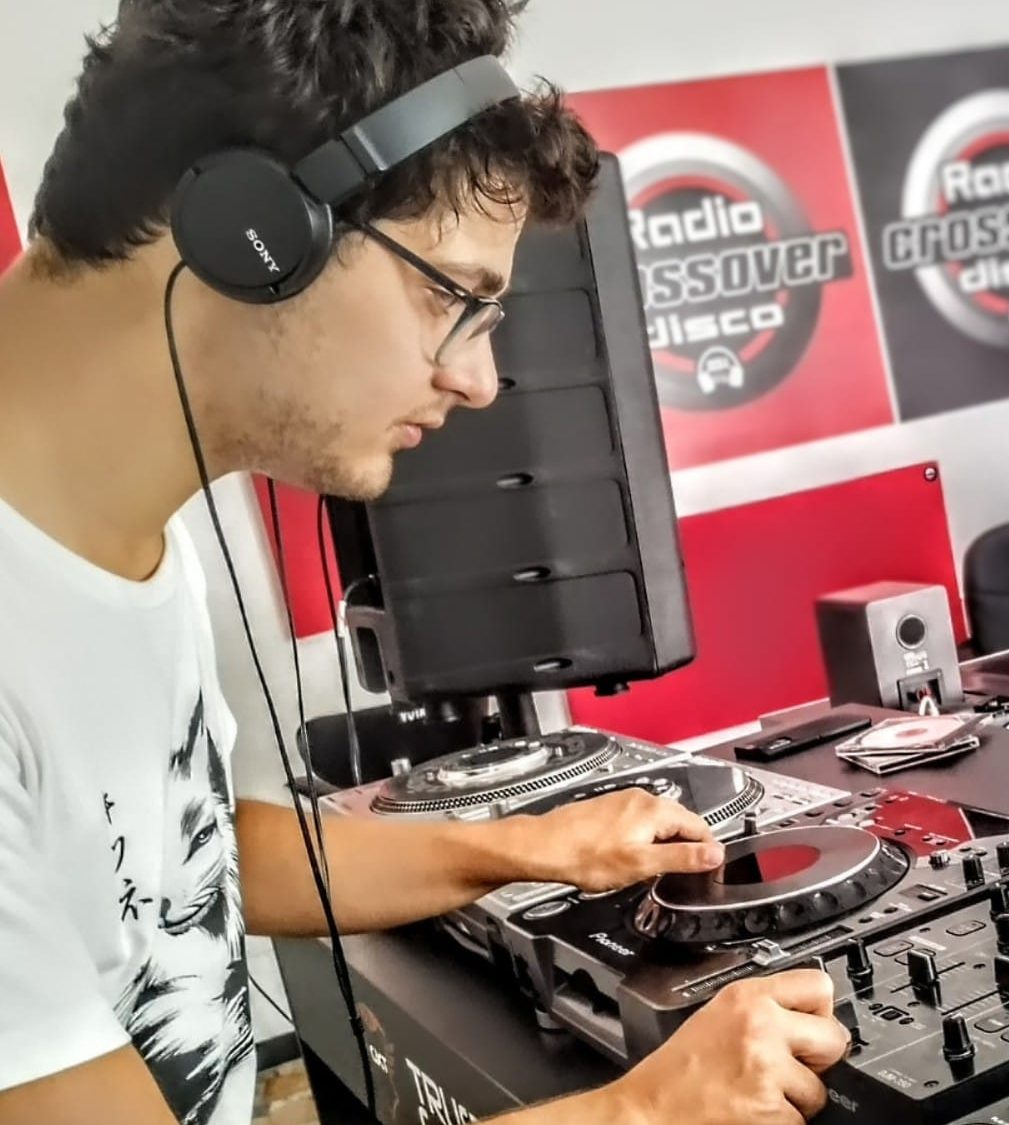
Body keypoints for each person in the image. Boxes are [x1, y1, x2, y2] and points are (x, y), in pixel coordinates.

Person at [0, 2, 849, 1123]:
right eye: (453, 296)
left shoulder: (110, 527)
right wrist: (639, 1110)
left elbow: (180, 858)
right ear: (249, 229)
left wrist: (521, 847)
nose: (479, 381)